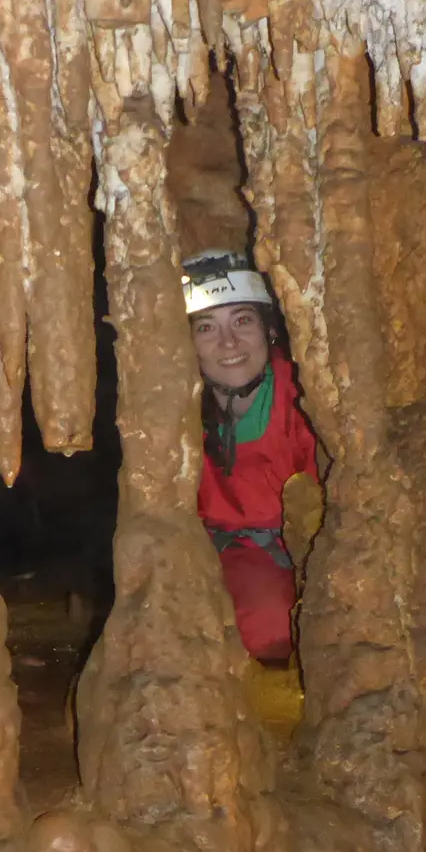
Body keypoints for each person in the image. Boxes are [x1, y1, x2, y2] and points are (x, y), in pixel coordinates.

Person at [185, 250, 319, 666]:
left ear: (268, 329)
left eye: (242, 320)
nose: (228, 343)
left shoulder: (307, 399)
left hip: (308, 545)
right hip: (227, 552)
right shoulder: (175, 410)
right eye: (207, 327)